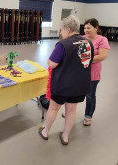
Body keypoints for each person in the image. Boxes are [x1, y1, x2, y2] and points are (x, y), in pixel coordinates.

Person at [38, 15, 94, 145]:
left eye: (61, 30)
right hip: (80, 85)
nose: (61, 33)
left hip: (62, 85)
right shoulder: (88, 43)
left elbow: (51, 63)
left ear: (68, 30)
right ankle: (65, 136)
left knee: (53, 108)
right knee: (71, 110)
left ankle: (45, 131)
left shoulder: (63, 44)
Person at [61, 18, 110, 126]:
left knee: (90, 95)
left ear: (96, 28)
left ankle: (88, 116)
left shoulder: (102, 40)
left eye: (89, 28)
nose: (86, 30)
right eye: (85, 28)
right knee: (74, 93)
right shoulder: (82, 38)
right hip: (79, 72)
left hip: (92, 74)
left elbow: (102, 56)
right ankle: (69, 111)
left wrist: (85, 59)